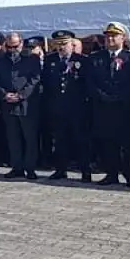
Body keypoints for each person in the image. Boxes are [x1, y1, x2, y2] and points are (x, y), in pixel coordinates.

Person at [86, 22, 130, 187]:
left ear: (123, 38)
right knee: (107, 143)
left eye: (114, 35)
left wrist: (119, 97)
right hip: (103, 108)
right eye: (108, 36)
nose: (110, 39)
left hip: (125, 109)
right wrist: (103, 97)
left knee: (128, 145)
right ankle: (111, 174)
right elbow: (91, 82)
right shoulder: (95, 58)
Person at [42, 31, 92, 182]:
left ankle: (85, 170)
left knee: (80, 140)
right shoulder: (50, 60)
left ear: (72, 44)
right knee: (60, 140)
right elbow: (46, 83)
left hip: (77, 108)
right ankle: (60, 169)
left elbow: (86, 84)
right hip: (57, 108)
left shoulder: (82, 60)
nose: (61, 47)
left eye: (64, 44)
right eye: (58, 44)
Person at [0, 32, 42, 180]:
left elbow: (35, 79)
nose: (12, 50)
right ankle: (17, 167)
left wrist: (21, 95)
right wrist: (4, 94)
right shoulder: (1, 60)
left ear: (21, 44)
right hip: (8, 104)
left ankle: (30, 168)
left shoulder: (31, 58)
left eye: (15, 47)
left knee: (30, 138)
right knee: (13, 138)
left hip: (26, 104)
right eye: (9, 47)